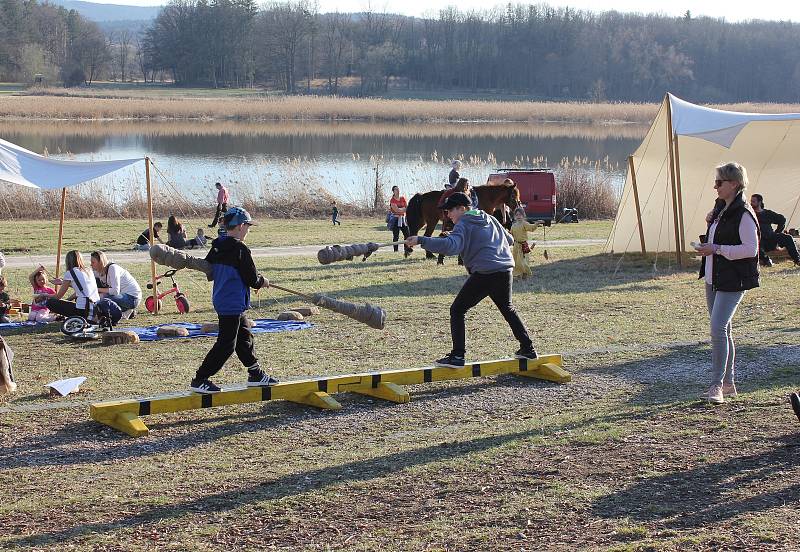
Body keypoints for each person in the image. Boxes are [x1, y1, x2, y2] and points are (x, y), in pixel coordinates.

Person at [404, 192, 538, 368]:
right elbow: (510, 239)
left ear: (462, 208)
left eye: (450, 210)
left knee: (457, 310)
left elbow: (451, 247)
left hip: (485, 272)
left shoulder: (464, 223)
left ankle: (458, 356)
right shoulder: (489, 218)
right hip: (505, 270)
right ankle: (528, 349)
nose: (448, 215)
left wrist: (421, 240)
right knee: (507, 308)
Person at [190, 207, 277, 393]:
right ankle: (200, 379)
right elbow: (252, 279)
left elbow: (210, 268)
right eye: (248, 226)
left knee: (244, 337)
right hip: (231, 302)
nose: (248, 230)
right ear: (239, 226)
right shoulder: (240, 249)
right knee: (226, 344)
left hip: (223, 299)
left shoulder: (218, 244)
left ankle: (255, 374)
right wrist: (263, 281)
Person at [695, 162, 760, 405]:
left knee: (718, 328)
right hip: (714, 277)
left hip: (733, 280)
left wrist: (718, 249)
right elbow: (719, 241)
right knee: (724, 330)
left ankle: (716, 386)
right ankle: (729, 383)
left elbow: (751, 250)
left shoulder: (744, 213)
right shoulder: (721, 209)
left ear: (734, 184)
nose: (716, 187)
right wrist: (710, 232)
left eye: (719, 182)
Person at [43, 250, 101, 318]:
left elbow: (58, 297)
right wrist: (62, 282)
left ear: (68, 261)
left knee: (50, 302)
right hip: (95, 307)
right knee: (77, 300)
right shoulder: (88, 270)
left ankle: (77, 317)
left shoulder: (70, 273)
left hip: (83, 310)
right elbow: (83, 287)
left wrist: (44, 295)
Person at [749, 194, 800, 266]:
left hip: (771, 238)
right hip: (759, 241)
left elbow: (782, 219)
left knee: (788, 237)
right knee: (754, 244)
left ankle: (797, 260)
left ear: (759, 202)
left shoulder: (767, 213)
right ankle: (766, 260)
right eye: (751, 201)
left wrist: (777, 232)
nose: (751, 203)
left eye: (753, 201)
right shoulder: (749, 214)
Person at [90, 251, 142, 316]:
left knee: (102, 299)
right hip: (121, 297)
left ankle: (123, 311)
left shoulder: (112, 268)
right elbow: (88, 276)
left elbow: (115, 291)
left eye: (93, 262)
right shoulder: (99, 271)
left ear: (100, 262)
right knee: (98, 298)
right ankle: (124, 311)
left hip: (132, 298)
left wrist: (97, 290)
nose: (91, 264)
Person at [510, 207, 540, 279]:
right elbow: (511, 235)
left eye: (520, 215)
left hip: (524, 246)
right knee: (516, 261)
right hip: (516, 246)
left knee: (523, 262)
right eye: (517, 215)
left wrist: (536, 224)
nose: (518, 216)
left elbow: (531, 228)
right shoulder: (513, 226)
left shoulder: (524, 224)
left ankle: (525, 273)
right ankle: (517, 275)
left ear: (523, 216)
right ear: (514, 216)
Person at [388, 186, 412, 255]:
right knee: (396, 236)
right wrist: (402, 209)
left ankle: (406, 249)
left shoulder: (402, 198)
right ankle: (396, 251)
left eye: (398, 189)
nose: (398, 190)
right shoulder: (392, 200)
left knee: (407, 234)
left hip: (403, 219)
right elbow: (396, 210)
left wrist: (401, 209)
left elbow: (406, 208)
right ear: (393, 191)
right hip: (395, 219)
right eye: (396, 189)